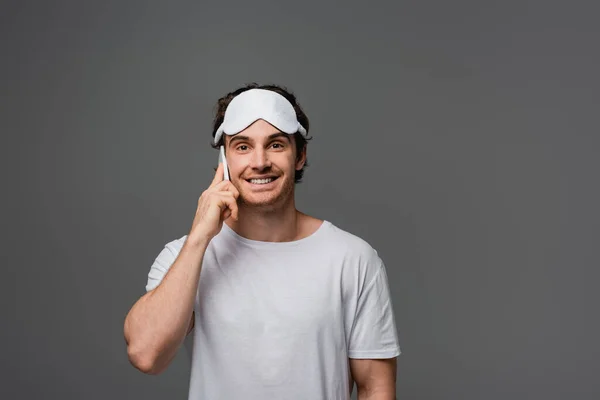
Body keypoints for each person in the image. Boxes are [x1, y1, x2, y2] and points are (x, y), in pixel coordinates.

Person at [123, 83, 401, 399]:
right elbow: (146, 355)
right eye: (242, 146)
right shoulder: (187, 256)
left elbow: (375, 386)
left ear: (300, 155)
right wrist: (200, 236)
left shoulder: (353, 259)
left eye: (276, 145)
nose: (259, 162)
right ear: (223, 160)